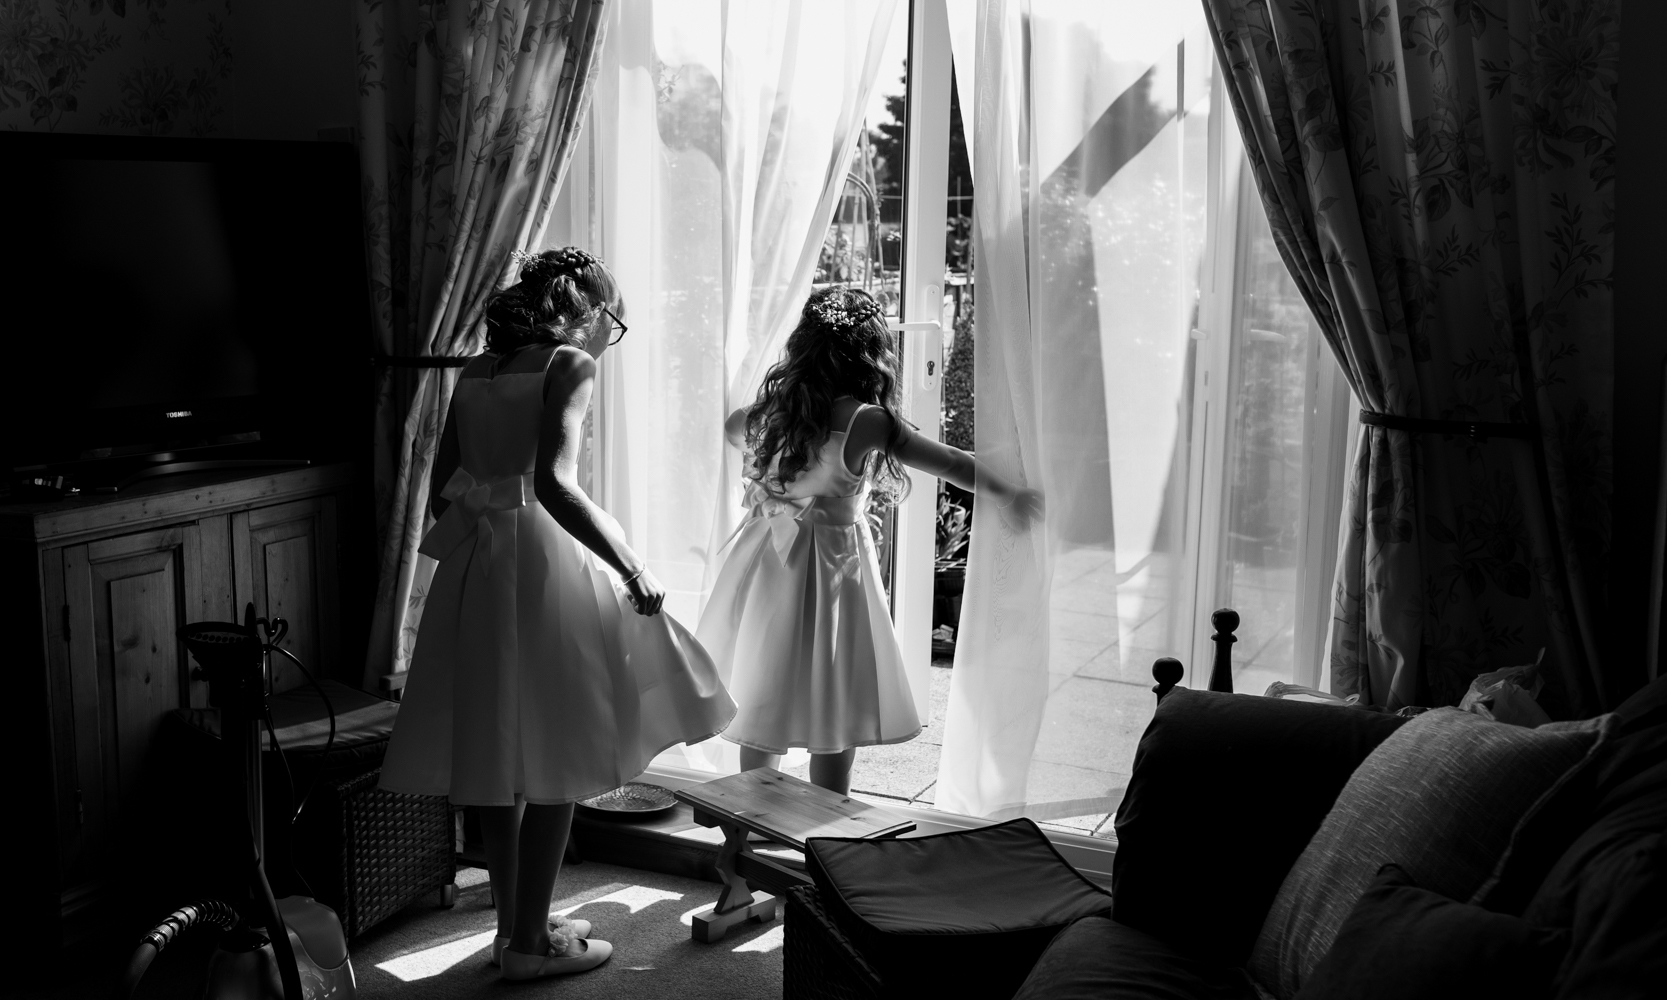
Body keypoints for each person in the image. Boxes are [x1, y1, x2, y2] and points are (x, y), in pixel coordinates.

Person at [379, 247, 735, 981]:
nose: (613, 335)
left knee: (497, 754)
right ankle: (530, 945)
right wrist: (632, 566)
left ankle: (518, 929)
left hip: (479, 564)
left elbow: (447, 477)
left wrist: (488, 513)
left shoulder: (475, 371)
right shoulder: (569, 364)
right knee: (558, 749)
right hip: (540, 562)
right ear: (587, 311)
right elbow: (556, 485)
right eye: (616, 321)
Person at [697, 286, 1042, 794]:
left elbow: (732, 427)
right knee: (833, 698)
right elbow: (947, 461)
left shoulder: (779, 409)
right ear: (870, 354)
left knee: (763, 684)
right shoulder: (866, 419)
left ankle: (748, 825)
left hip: (768, 558)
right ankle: (827, 832)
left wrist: (777, 464)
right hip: (832, 566)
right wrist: (1009, 493)